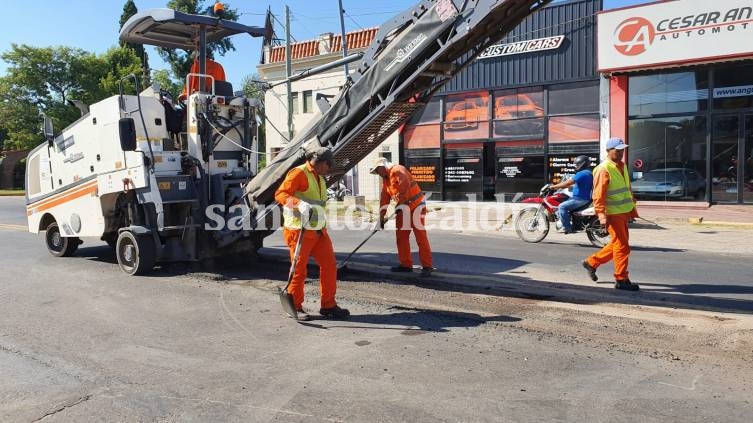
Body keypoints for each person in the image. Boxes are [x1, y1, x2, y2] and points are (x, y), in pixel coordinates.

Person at [275, 146, 350, 320]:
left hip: (318, 231)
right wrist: (298, 203)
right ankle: (295, 306)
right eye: (328, 165)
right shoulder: (299, 173)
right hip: (298, 230)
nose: (329, 169)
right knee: (299, 270)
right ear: (321, 162)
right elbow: (280, 194)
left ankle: (328, 305)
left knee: (330, 266)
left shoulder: (319, 177)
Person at [582, 137, 640, 291]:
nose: (621, 152)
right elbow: (598, 195)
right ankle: (621, 279)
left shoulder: (622, 166)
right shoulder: (603, 169)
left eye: (622, 149)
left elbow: (626, 187)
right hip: (612, 214)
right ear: (609, 150)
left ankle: (591, 262)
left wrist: (632, 200)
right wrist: (601, 216)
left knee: (617, 245)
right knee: (622, 247)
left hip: (623, 212)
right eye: (617, 150)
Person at [370, 157, 434, 277]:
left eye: (377, 171)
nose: (378, 174)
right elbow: (384, 199)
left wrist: (401, 203)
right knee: (401, 237)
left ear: (382, 167)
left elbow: (404, 185)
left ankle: (427, 266)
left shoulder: (398, 170)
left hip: (416, 207)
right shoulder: (386, 180)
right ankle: (406, 265)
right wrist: (381, 218)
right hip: (403, 208)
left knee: (420, 236)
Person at [547, 155, 593, 234]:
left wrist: (553, 187)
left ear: (583, 164)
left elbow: (568, 182)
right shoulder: (588, 173)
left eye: (577, 164)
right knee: (566, 205)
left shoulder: (582, 173)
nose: (576, 166)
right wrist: (571, 187)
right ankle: (574, 224)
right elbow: (581, 185)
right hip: (584, 198)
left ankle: (567, 228)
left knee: (562, 207)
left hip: (580, 199)